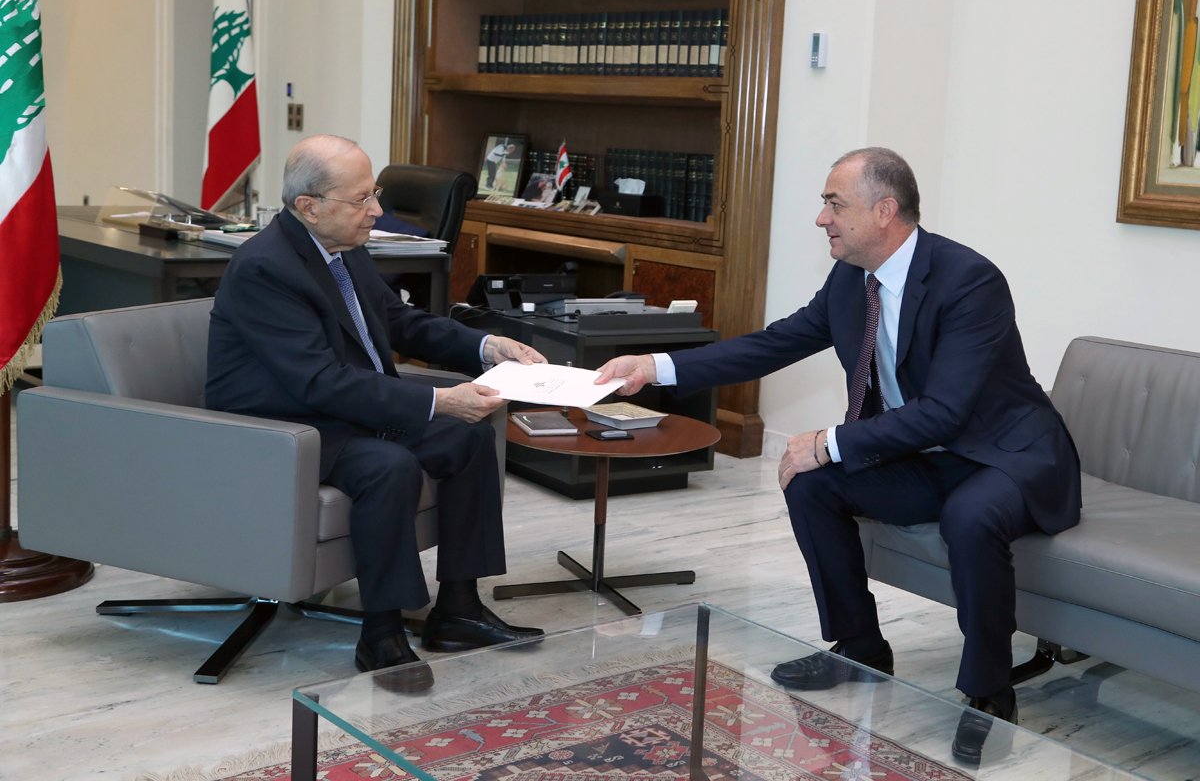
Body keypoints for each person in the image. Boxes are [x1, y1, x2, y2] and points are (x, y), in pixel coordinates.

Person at [595, 147, 1081, 765]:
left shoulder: (969, 280)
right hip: (926, 452)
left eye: (834, 204)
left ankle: (989, 693)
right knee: (810, 484)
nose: (822, 218)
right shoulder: (853, 278)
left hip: (1002, 453)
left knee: (969, 516)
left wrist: (828, 442)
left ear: (884, 210)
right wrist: (654, 366)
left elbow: (947, 412)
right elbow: (775, 343)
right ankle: (860, 646)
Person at [206, 134, 545, 682]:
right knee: (388, 466)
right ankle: (381, 634)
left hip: (348, 408)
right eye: (361, 199)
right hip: (285, 426)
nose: (377, 211)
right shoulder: (265, 268)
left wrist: (486, 347)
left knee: (468, 437)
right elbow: (317, 381)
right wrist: (438, 400)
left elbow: (400, 321)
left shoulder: (344, 249)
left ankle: (459, 610)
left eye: (375, 194)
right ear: (308, 206)